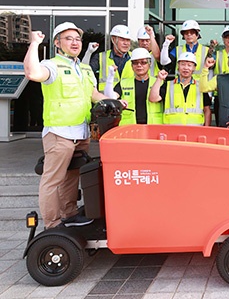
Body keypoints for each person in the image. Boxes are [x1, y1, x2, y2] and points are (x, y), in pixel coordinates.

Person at [23, 22, 124, 229]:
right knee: (53, 180)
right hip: (60, 133)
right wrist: (34, 44)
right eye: (68, 39)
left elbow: (93, 95)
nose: (75, 42)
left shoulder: (85, 68)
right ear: (58, 43)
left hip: (81, 132)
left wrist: (112, 102)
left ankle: (69, 214)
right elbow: (33, 73)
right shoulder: (52, 65)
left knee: (72, 177)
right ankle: (52, 224)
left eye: (77, 39)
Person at [149, 51, 211, 126]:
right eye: (183, 64)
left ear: (194, 68)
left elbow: (207, 109)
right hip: (172, 131)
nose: (186, 68)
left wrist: (206, 128)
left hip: (195, 130)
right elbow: (153, 98)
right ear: (178, 66)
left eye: (189, 65)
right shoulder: (169, 85)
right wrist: (159, 79)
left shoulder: (200, 86)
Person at [109, 48, 163, 125]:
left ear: (150, 64)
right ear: (131, 65)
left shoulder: (159, 83)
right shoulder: (123, 84)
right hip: (130, 128)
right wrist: (110, 77)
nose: (139, 65)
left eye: (143, 62)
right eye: (135, 63)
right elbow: (111, 97)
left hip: (153, 128)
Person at [90, 24, 132, 93]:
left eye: (128, 40)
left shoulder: (135, 58)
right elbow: (86, 74)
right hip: (107, 100)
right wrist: (88, 53)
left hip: (128, 101)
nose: (126, 43)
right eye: (122, 39)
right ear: (113, 39)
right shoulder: (100, 57)